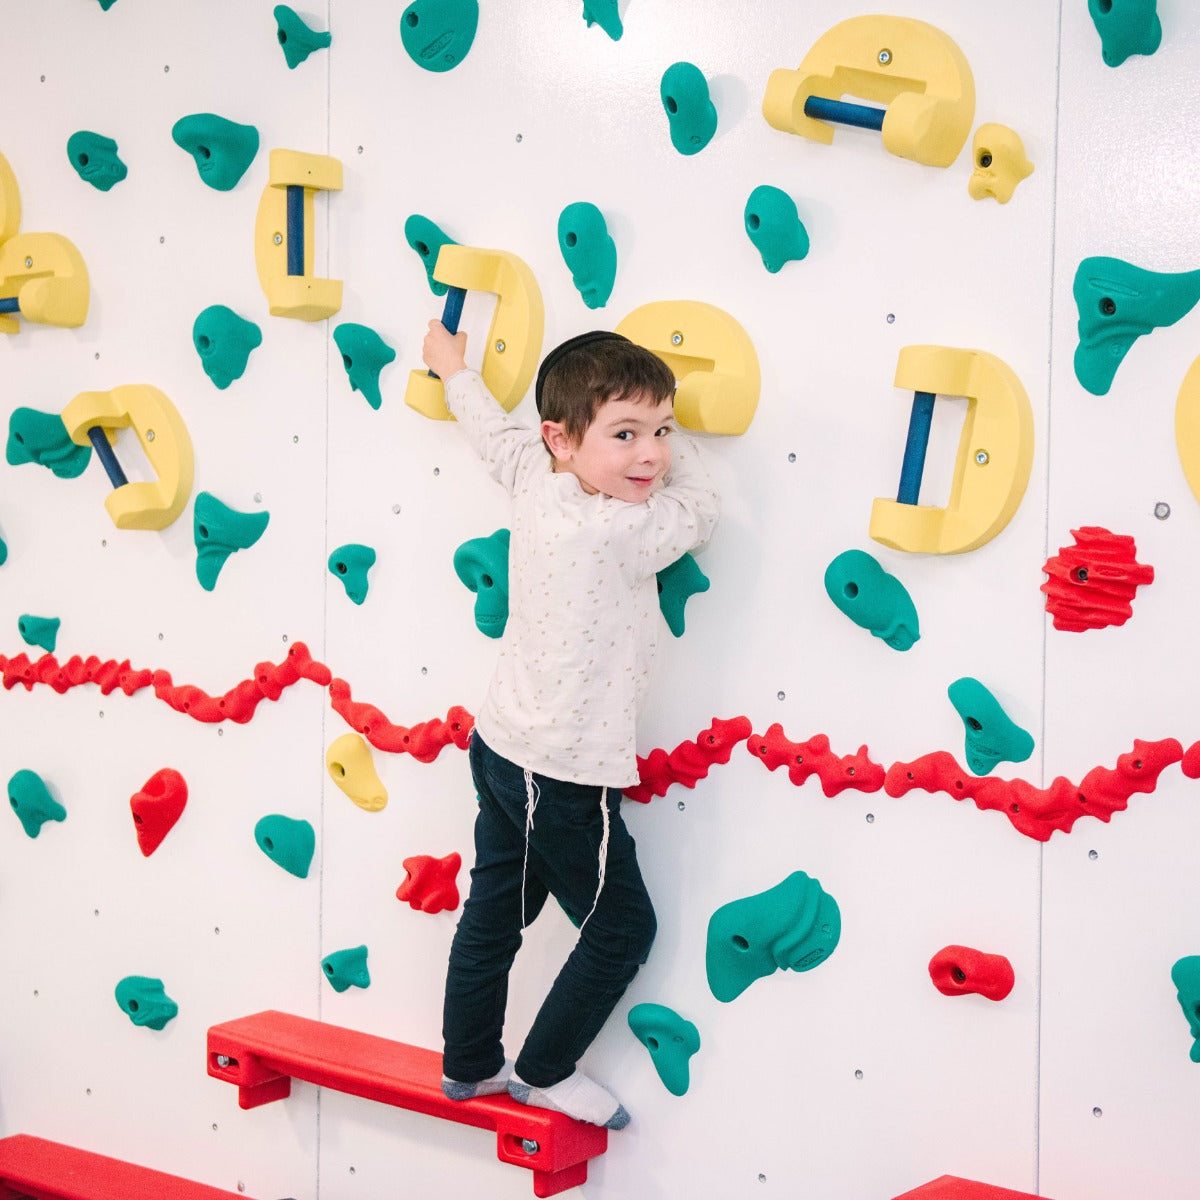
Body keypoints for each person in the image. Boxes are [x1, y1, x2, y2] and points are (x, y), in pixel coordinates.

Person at [421, 320, 720, 1129]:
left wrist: (453, 369)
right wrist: (690, 441)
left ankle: (467, 1064)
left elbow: (492, 433)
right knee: (623, 929)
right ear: (562, 438)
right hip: (560, 774)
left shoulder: (534, 474)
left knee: (496, 912)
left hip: (501, 747)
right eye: (626, 435)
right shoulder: (619, 527)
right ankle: (543, 1070)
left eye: (662, 431)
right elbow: (700, 511)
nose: (651, 455)